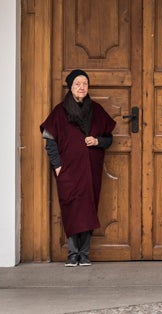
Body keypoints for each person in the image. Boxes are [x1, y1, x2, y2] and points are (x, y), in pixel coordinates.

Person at [41, 69, 116, 266]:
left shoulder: (97, 110)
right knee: (72, 209)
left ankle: (84, 254)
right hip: (68, 171)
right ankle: (72, 254)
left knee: (89, 208)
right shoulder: (59, 112)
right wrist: (57, 166)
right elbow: (49, 142)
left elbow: (109, 139)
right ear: (70, 87)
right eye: (77, 84)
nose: (82, 87)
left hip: (91, 170)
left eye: (85, 84)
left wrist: (98, 141)